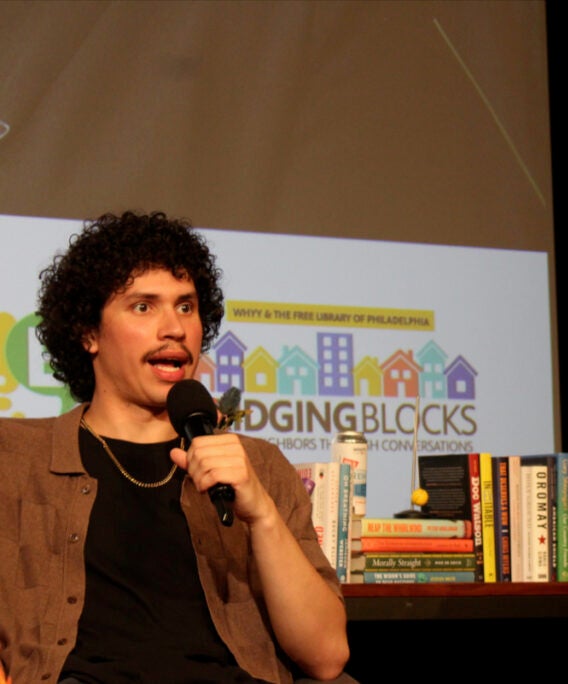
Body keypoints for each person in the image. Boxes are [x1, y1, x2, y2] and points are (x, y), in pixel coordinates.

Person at [0, 211, 350, 683]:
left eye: (186, 307)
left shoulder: (256, 465)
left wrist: (262, 514)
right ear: (88, 333)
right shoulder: (16, 459)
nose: (174, 328)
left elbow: (326, 657)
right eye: (144, 307)